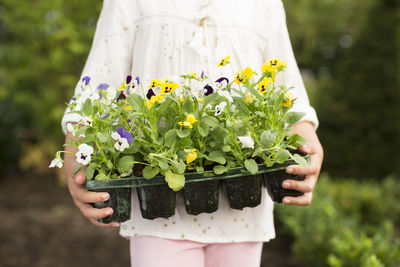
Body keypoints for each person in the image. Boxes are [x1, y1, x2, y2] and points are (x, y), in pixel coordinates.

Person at [62, 0, 323, 266]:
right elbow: (96, 85)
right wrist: (76, 148)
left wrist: (305, 136)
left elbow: (287, 90)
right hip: (159, 202)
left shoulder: (263, 5)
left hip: (243, 203)